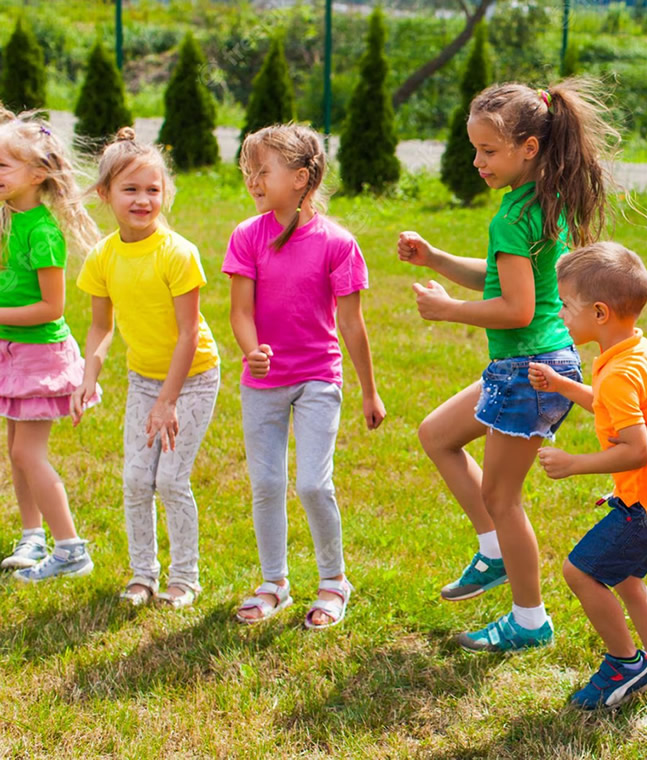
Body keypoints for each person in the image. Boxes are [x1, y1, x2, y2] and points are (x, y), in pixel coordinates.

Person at [398, 79, 616, 652]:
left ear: (529, 148)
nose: (477, 162)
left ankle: (529, 619)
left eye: (488, 152)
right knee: (437, 435)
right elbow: (505, 278)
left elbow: (515, 307)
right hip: (531, 364)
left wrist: (448, 312)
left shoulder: (517, 213)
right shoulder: (541, 201)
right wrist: (438, 259)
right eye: (475, 150)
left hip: (530, 369)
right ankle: (493, 554)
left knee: (502, 498)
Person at [226, 124, 385, 629]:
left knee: (314, 485)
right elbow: (239, 311)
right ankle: (274, 582)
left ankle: (334, 581)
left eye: (262, 171)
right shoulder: (246, 236)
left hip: (318, 376)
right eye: (248, 171)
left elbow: (351, 323)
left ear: (300, 178)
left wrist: (369, 392)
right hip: (264, 384)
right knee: (267, 482)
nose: (253, 180)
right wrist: (252, 352)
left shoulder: (337, 243)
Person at [529, 242, 647, 709]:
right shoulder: (632, 349)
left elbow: (635, 449)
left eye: (565, 304)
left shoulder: (619, 372)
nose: (560, 312)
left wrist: (575, 463)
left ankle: (627, 664)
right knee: (625, 577)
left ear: (599, 312)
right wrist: (564, 384)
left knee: (580, 571)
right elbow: (614, 409)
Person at [72, 128, 220, 609]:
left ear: (165, 193)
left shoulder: (178, 253)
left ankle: (185, 579)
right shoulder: (102, 256)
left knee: (170, 480)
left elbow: (187, 333)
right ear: (105, 195)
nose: (142, 200)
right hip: (143, 380)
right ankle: (143, 576)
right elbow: (100, 327)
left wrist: (169, 400)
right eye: (130, 190)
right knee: (137, 479)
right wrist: (88, 373)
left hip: (192, 379)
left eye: (152, 190)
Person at [0, 106, 101, 581]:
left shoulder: (42, 230)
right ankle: (32, 535)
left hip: (39, 354)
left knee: (26, 453)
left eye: (2, 166)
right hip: (13, 351)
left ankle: (70, 549)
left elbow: (51, 308)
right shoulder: (10, 218)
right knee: (14, 446)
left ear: (38, 173)